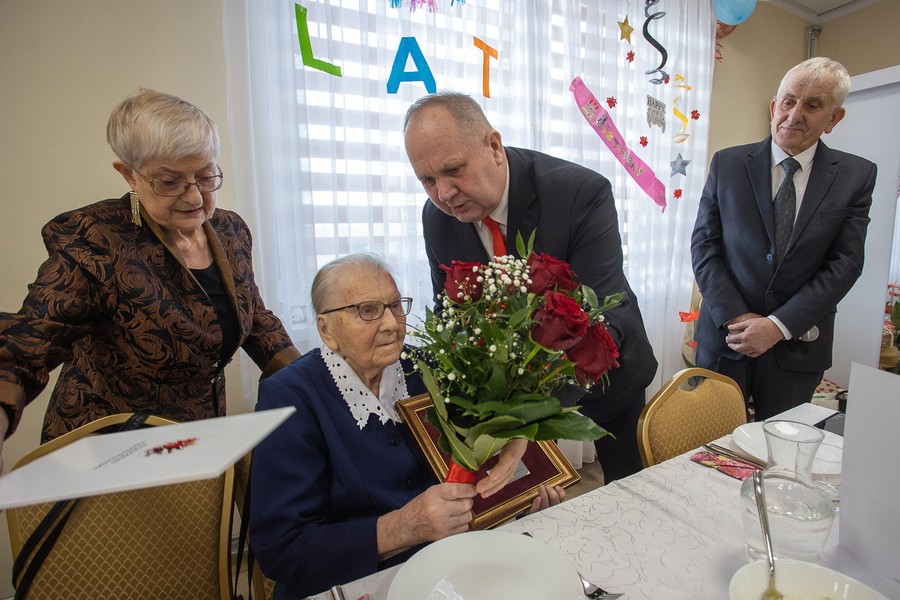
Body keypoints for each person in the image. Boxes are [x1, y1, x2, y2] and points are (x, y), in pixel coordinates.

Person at [0, 89, 300, 469]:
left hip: (198, 442)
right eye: (169, 182)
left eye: (206, 176)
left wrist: (313, 383)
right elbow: (29, 339)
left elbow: (254, 317)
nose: (194, 197)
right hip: (110, 455)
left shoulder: (229, 230)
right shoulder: (96, 239)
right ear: (129, 174)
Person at [249, 254, 560, 599]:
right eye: (368, 310)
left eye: (395, 305)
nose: (391, 324)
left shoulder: (425, 366)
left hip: (443, 572)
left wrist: (519, 497)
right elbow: (282, 549)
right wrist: (402, 528)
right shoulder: (289, 396)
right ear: (326, 329)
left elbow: (471, 458)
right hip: (350, 584)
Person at [403, 92, 658, 482]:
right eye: (427, 180)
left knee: (632, 484)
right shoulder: (437, 219)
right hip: (510, 389)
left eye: (453, 169)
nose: (444, 193)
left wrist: (526, 417)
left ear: (493, 147)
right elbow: (450, 316)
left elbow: (605, 314)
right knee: (533, 492)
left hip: (606, 373)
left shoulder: (580, 194)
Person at [691, 57, 876, 420]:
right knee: (709, 449)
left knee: (781, 456)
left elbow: (846, 263)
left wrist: (776, 326)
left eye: (813, 105)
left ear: (834, 118)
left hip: (798, 346)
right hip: (726, 339)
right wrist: (736, 319)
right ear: (774, 107)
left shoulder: (857, 175)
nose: (794, 115)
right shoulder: (727, 164)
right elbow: (704, 247)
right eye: (789, 101)